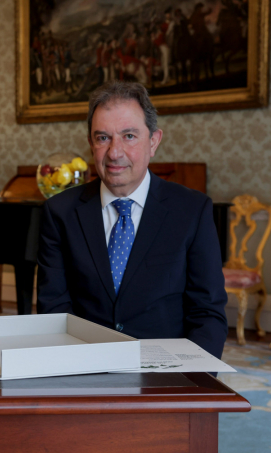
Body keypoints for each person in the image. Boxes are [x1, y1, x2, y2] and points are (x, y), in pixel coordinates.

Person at [36, 81, 227, 359]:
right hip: (85, 369)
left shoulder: (192, 210)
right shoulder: (59, 212)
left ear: (154, 141)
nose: (114, 153)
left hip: (168, 376)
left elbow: (207, 313)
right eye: (103, 138)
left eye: (129, 136)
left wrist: (190, 383)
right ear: (91, 144)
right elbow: (54, 309)